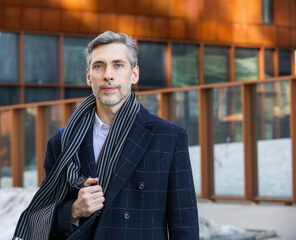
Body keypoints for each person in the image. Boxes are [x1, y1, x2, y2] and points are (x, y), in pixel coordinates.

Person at [13, 31, 199, 240]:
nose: (108, 75)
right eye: (99, 66)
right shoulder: (63, 143)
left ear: (134, 74)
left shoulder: (169, 138)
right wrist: (73, 210)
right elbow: (41, 218)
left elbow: (185, 226)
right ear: (88, 75)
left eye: (118, 65)